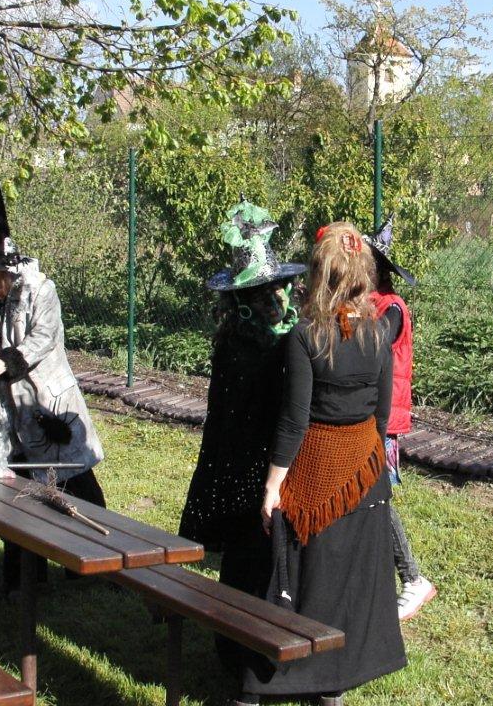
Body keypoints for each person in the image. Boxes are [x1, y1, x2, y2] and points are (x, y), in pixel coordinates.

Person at [237, 222, 406, 706]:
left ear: (319, 275)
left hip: (313, 475)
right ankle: (331, 684)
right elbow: (380, 416)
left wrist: (273, 486)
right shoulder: (379, 332)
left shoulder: (304, 335)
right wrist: (364, 463)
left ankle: (265, 683)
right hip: (365, 477)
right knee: (345, 584)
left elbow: (294, 421)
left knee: (297, 579)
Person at [0, 183, 106, 591]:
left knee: (75, 483)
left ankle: (97, 566)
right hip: (8, 411)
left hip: (50, 406)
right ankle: (24, 579)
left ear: (9, 269)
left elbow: (43, 338)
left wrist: (6, 362)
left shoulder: (41, 290)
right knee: (16, 492)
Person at [179, 202, 305, 664]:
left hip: (245, 461)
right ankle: (247, 647)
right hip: (253, 465)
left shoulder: (258, 338)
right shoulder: (255, 346)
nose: (280, 300)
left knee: (249, 553)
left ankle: (237, 644)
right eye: (269, 294)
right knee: (253, 553)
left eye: (280, 290)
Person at [366, 215, 437, 621]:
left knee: (378, 496)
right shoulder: (367, 304)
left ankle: (413, 578)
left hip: (382, 418)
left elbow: (370, 343)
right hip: (365, 413)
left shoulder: (391, 308)